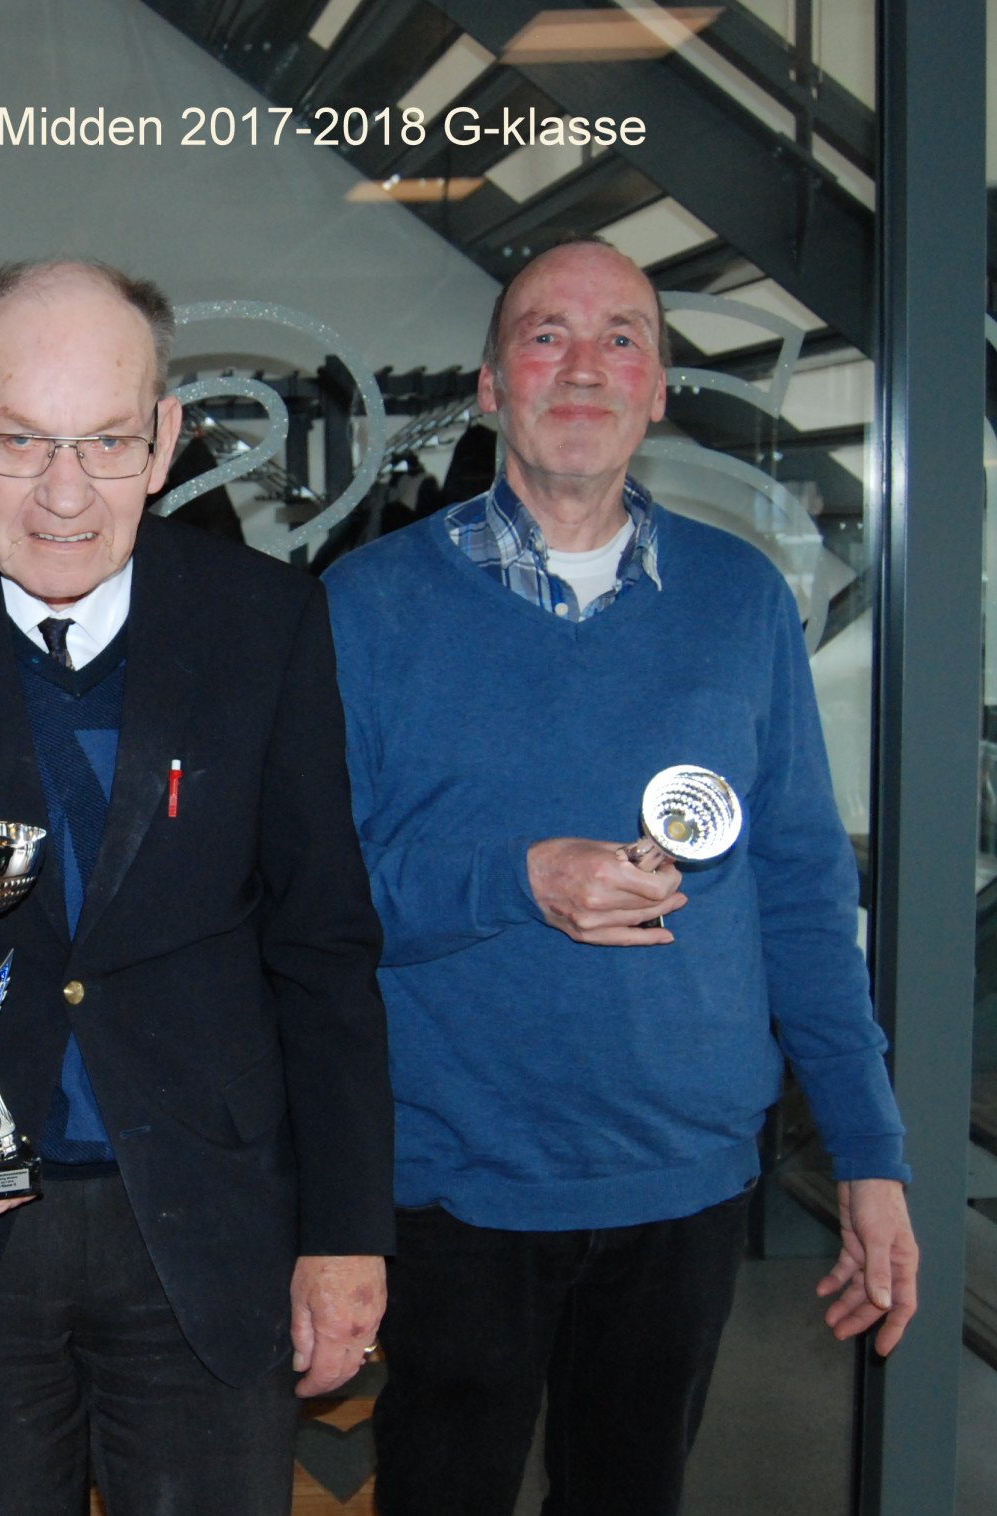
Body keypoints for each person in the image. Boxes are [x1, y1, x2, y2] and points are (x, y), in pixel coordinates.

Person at [0, 259, 393, 1515]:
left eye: (105, 441)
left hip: (209, 1234)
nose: (63, 492)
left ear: (162, 439)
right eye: (21, 441)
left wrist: (344, 1230)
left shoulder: (264, 621)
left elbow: (321, 943)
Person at [323, 237, 919, 1515]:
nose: (582, 367)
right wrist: (515, 879)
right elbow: (312, 903)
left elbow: (801, 895)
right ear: (491, 385)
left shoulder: (739, 601)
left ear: (655, 390)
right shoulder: (362, 608)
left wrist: (869, 1153)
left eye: (620, 339)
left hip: (683, 1180)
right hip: (453, 1183)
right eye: (544, 336)